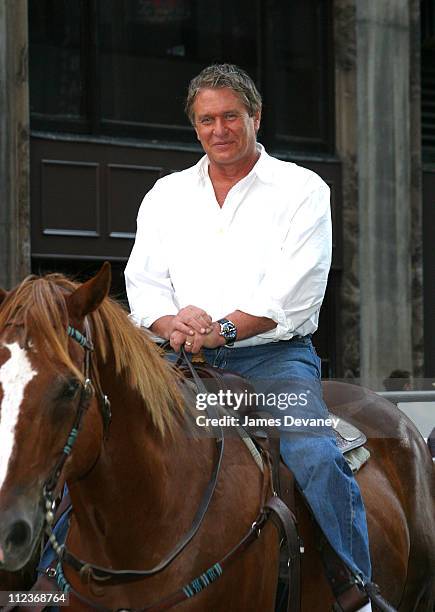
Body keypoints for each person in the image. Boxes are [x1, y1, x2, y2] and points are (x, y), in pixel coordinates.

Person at [125, 64, 373, 611]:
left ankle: (357, 587)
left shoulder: (303, 190)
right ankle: (45, 582)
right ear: (195, 127)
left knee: (312, 452)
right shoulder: (165, 195)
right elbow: (143, 286)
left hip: (272, 361)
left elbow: (296, 294)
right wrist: (174, 322)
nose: (219, 130)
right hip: (176, 361)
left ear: (256, 116)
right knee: (99, 438)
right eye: (206, 119)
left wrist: (224, 329)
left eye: (230, 116)